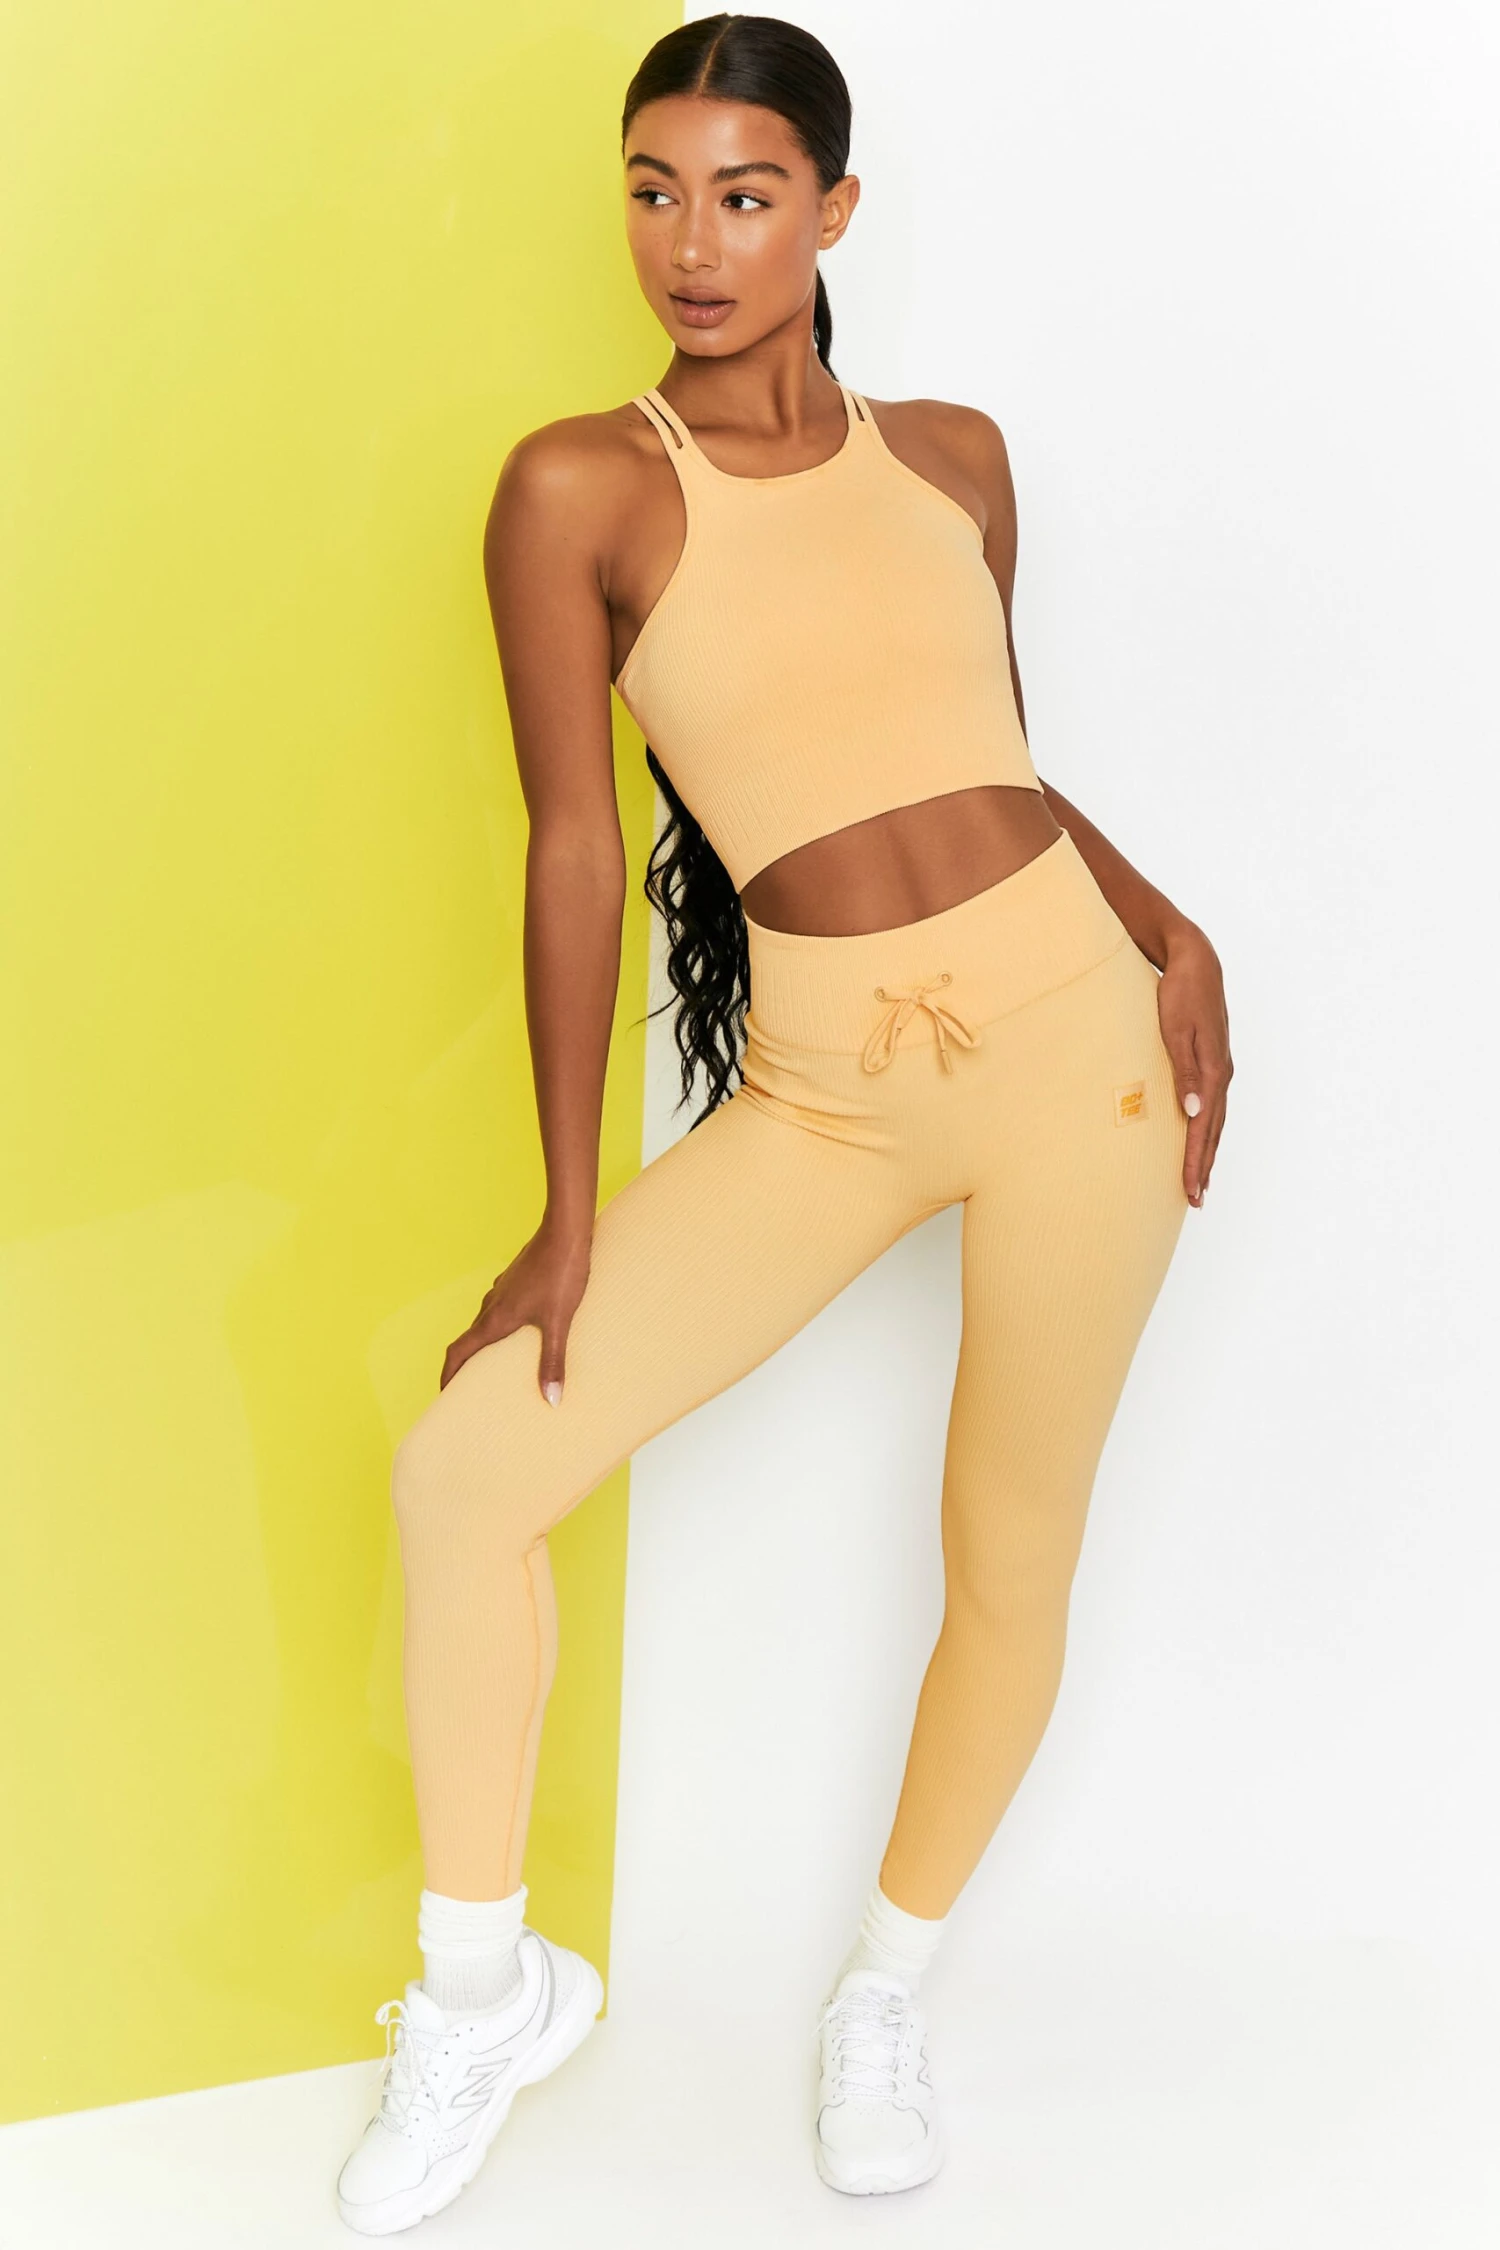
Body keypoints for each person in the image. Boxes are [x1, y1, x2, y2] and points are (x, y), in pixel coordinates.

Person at [334, 11, 1232, 2232]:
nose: (692, 242)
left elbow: (982, 757)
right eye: (654, 191)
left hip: (1087, 1056)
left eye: (744, 196)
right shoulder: (582, 488)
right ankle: (482, 1994)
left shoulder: (957, 460)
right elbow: (574, 849)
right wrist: (571, 1214)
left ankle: (886, 1991)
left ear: (833, 210)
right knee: (464, 1474)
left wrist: (1168, 927)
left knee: (1006, 1554)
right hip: (827, 1096)